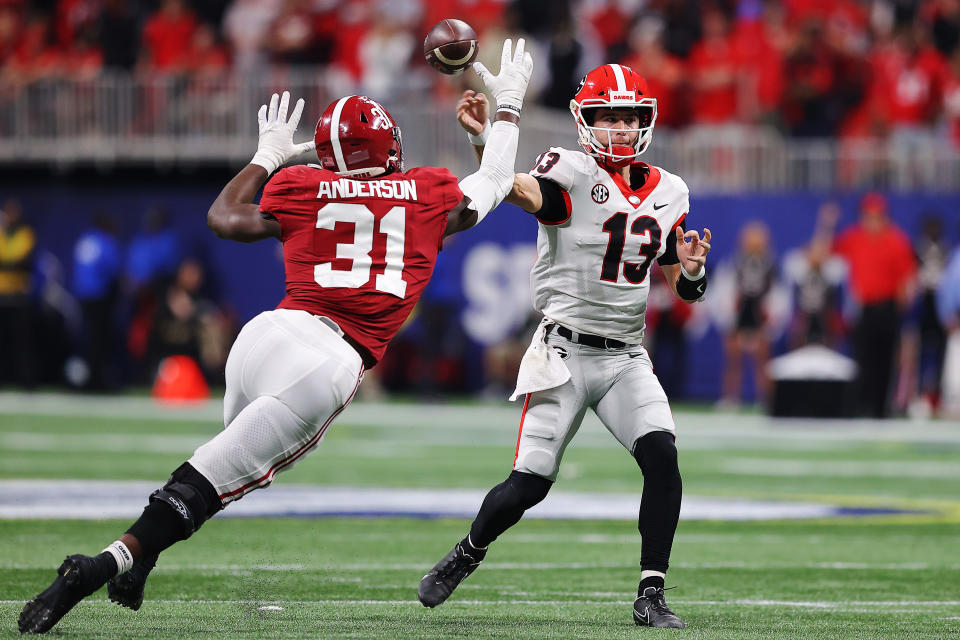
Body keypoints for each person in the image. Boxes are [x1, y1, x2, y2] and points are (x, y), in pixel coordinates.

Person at [18, 38, 534, 635]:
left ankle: (146, 556)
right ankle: (104, 563)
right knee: (209, 484)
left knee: (209, 469)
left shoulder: (302, 186)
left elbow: (223, 217)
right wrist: (508, 105)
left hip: (264, 336)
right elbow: (493, 180)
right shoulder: (425, 192)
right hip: (326, 362)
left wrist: (266, 156)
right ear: (391, 148)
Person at [418, 63, 712, 629]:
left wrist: (694, 273)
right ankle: (468, 552)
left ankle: (651, 593)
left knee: (663, 458)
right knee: (529, 485)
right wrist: (486, 142)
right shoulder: (570, 170)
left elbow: (683, 285)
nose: (621, 128)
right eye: (610, 117)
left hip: (626, 355)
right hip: (563, 353)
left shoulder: (671, 190)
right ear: (586, 121)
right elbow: (516, 189)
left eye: (630, 118)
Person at [829, 193, 916, 417]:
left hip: (887, 307)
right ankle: (862, 406)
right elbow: (828, 252)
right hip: (863, 308)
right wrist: (827, 223)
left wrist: (903, 303)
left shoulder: (896, 240)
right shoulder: (854, 239)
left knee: (885, 361)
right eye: (868, 216)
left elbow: (907, 276)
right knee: (863, 359)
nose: (872, 220)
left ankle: (880, 409)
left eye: (877, 216)